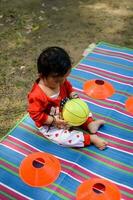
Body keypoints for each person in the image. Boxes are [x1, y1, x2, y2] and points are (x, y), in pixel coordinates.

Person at [27, 47, 108, 150]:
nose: (62, 83)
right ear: (42, 75)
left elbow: (69, 88)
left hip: (68, 112)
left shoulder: (61, 80)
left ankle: (90, 124)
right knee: (63, 139)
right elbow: (36, 115)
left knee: (82, 109)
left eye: (64, 78)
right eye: (57, 81)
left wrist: (74, 97)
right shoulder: (37, 95)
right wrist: (53, 121)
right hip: (51, 125)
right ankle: (90, 138)